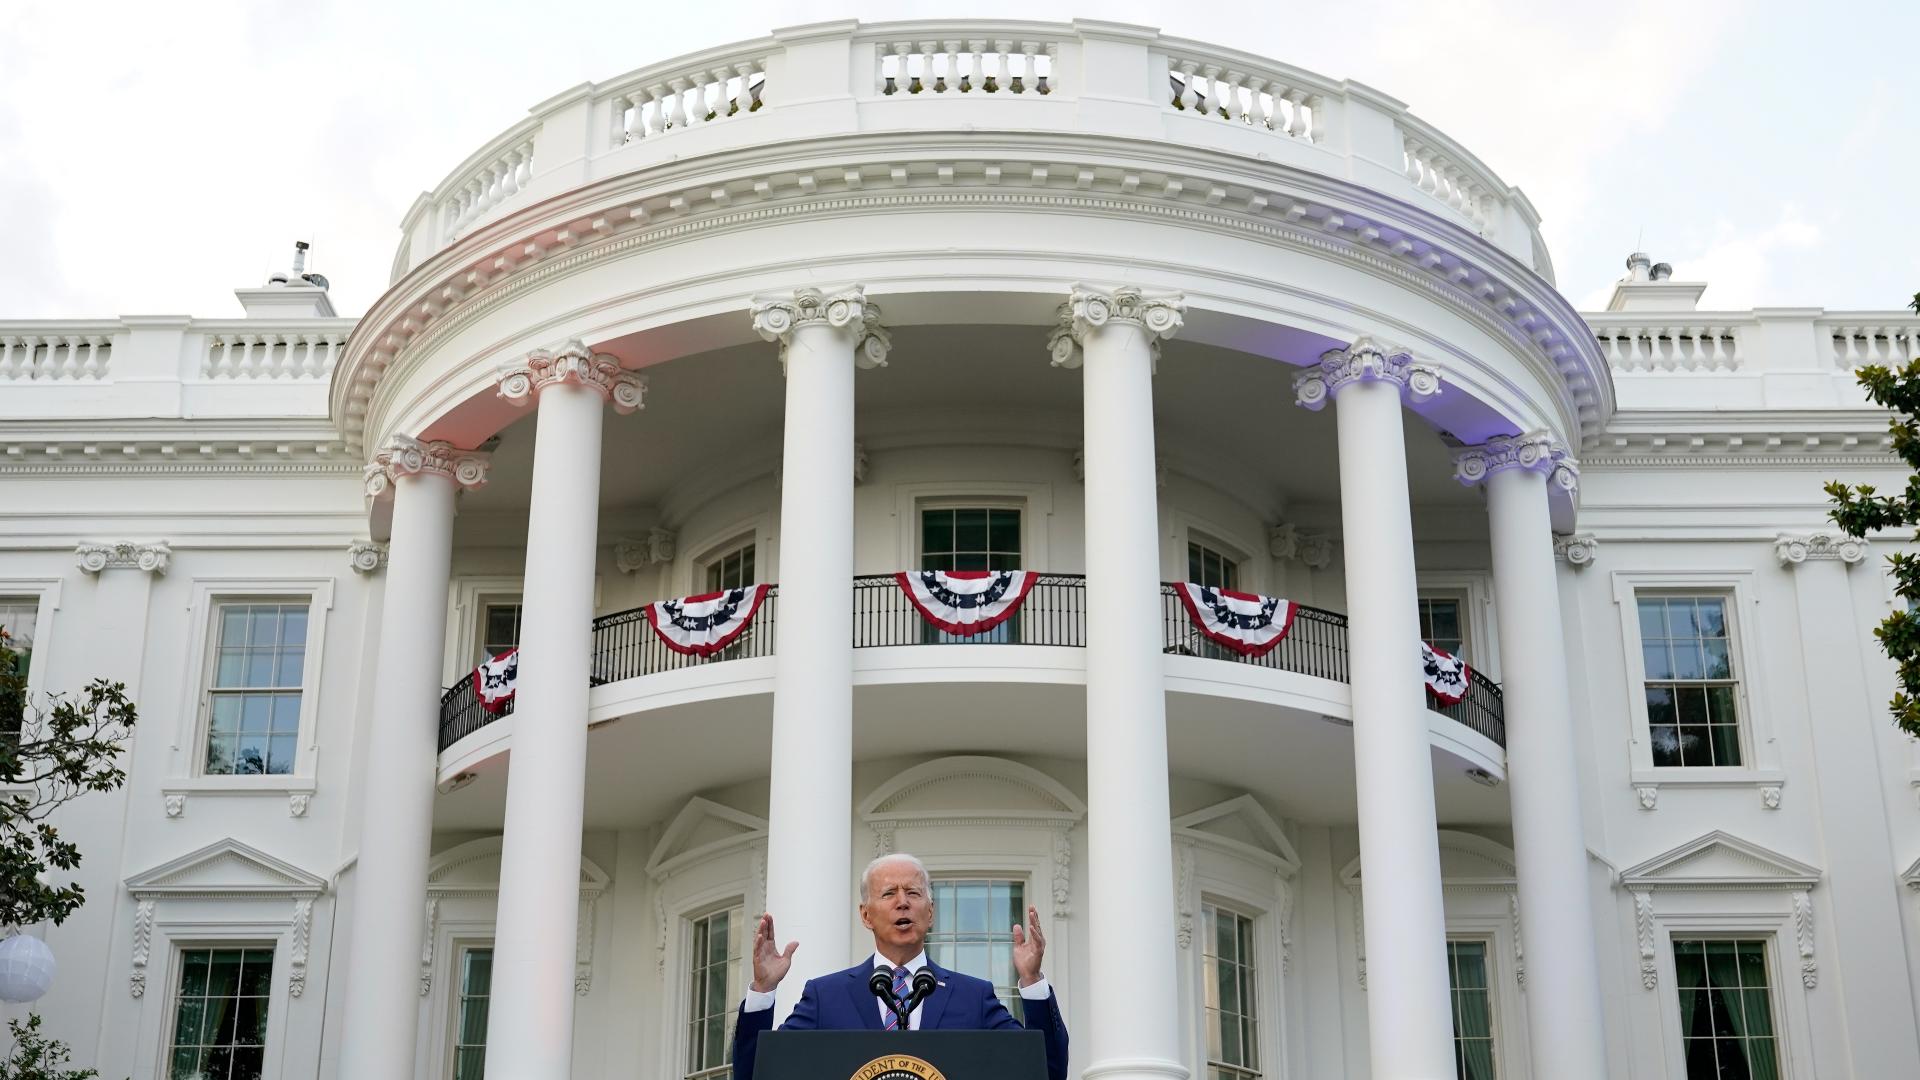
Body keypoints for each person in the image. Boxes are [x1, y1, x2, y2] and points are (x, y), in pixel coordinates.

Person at [731, 853, 1068, 1080]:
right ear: (866, 915)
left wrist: (1033, 981)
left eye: (913, 892)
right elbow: (756, 1074)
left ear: (931, 912)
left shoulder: (973, 997)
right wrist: (763, 991)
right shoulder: (826, 996)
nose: (902, 901)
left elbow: (1046, 1071)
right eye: (889, 893)